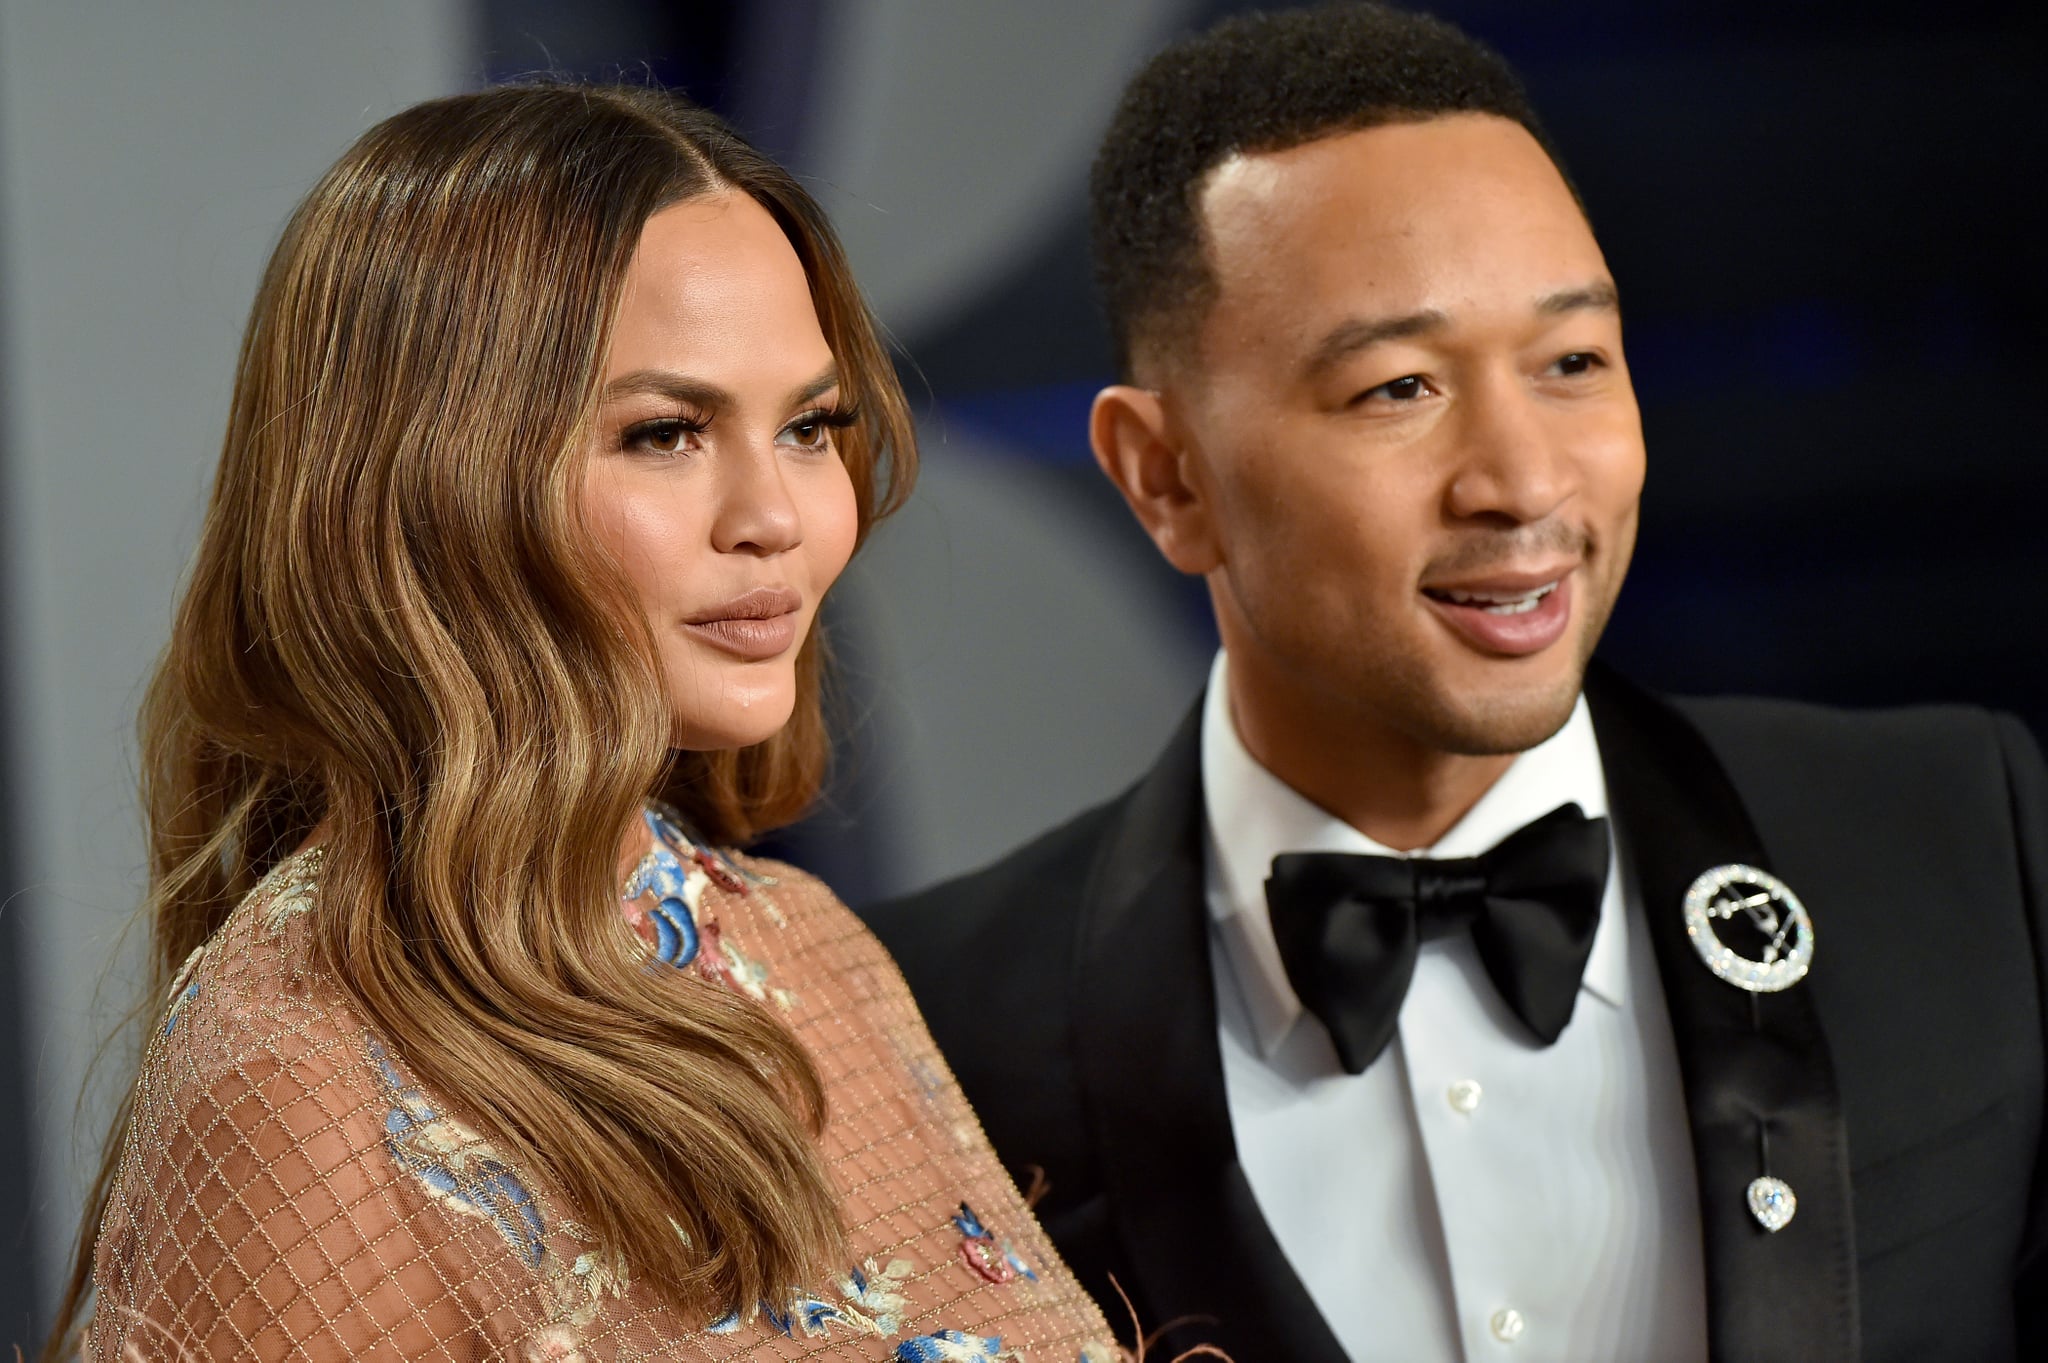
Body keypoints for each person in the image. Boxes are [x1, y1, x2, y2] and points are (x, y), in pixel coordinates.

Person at [865, 7, 2048, 1362]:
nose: (1525, 481)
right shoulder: (923, 1032)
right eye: (1399, 387)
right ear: (1166, 477)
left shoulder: (1962, 836)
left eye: (1572, 364)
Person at [51, 84, 1120, 1363]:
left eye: (807, 426)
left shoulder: (811, 951)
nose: (773, 515)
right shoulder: (298, 1074)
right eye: (666, 433)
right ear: (427, 488)